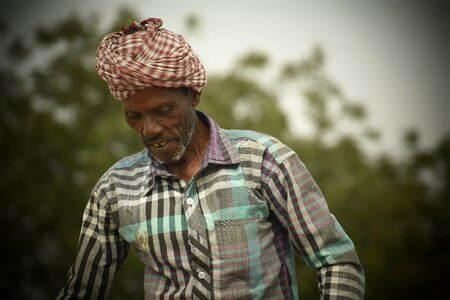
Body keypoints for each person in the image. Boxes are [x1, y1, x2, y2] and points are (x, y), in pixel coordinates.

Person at [57, 18, 365, 299]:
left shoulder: (264, 161)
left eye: (163, 111)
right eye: (134, 117)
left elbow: (337, 262)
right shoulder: (115, 189)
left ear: (192, 95)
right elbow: (82, 291)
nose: (149, 130)